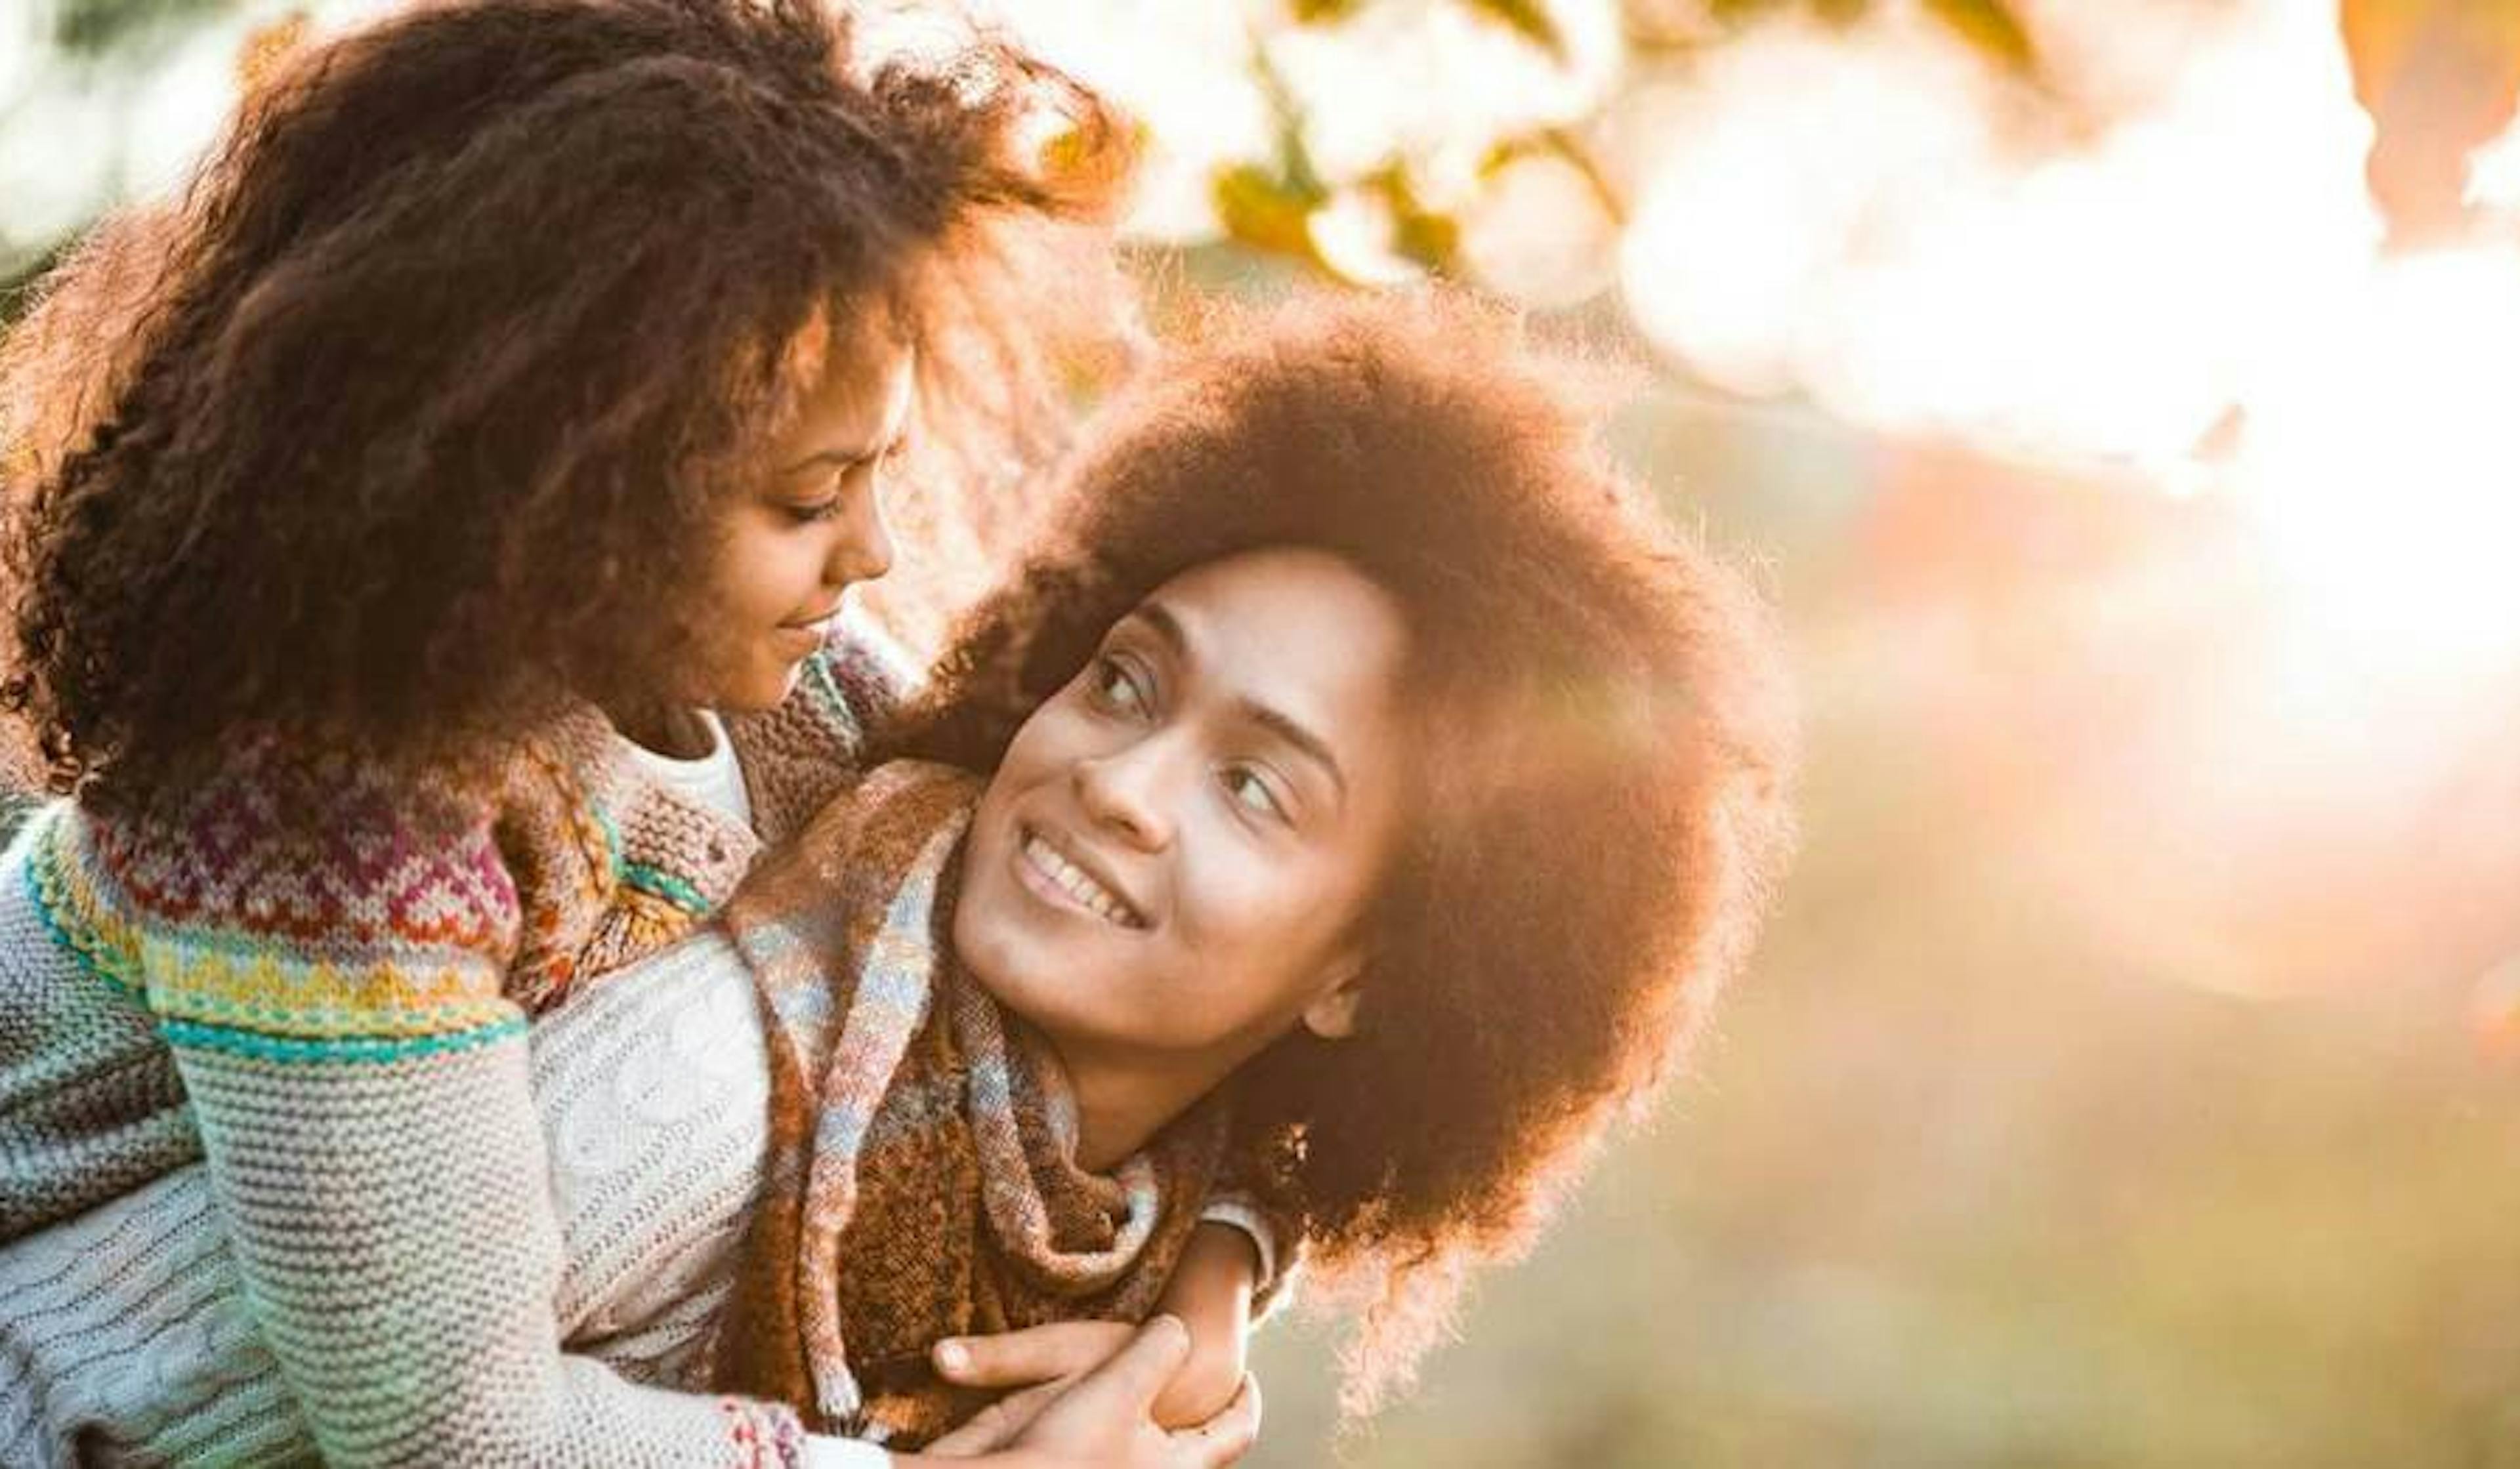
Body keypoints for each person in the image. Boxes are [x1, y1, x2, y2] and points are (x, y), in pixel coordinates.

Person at [1, 293, 1797, 1463]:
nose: (1121, 787)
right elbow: (192, 1416)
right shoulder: (715, 1080)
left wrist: (1214, 1289)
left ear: (1364, 976)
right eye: (1125, 680)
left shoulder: (1097, 1181)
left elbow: (1264, 1141)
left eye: (1257, 787)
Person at [0, 1, 1261, 1462]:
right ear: (562, 488)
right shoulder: (314, 827)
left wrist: (1215, 1270)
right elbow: (459, 1438)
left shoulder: (805, 692)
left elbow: (1106, 969)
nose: (871, 551)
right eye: (806, 496)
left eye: (883, 472)